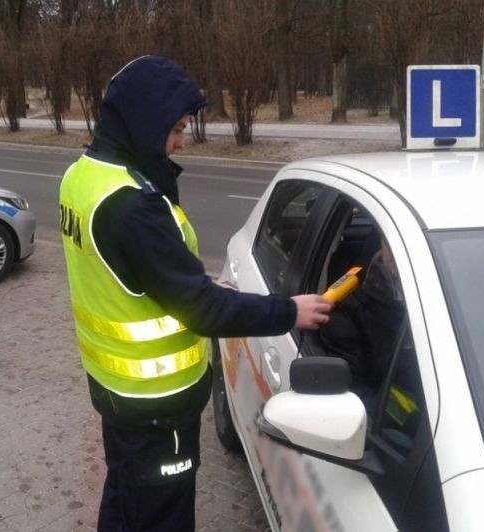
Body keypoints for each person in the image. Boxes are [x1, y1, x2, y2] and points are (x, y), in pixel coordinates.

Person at [58, 55, 332, 532]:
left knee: (126, 495)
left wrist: (189, 282)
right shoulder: (133, 207)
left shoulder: (82, 177)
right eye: (177, 128)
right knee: (162, 516)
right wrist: (290, 311)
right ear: (145, 120)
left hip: (113, 390)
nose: (181, 141)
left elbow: (130, 274)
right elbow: (204, 312)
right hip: (158, 406)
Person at [318, 239, 408, 410]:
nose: (401, 252)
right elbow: (355, 401)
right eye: (393, 243)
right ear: (381, 241)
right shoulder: (349, 312)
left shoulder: (458, 296)